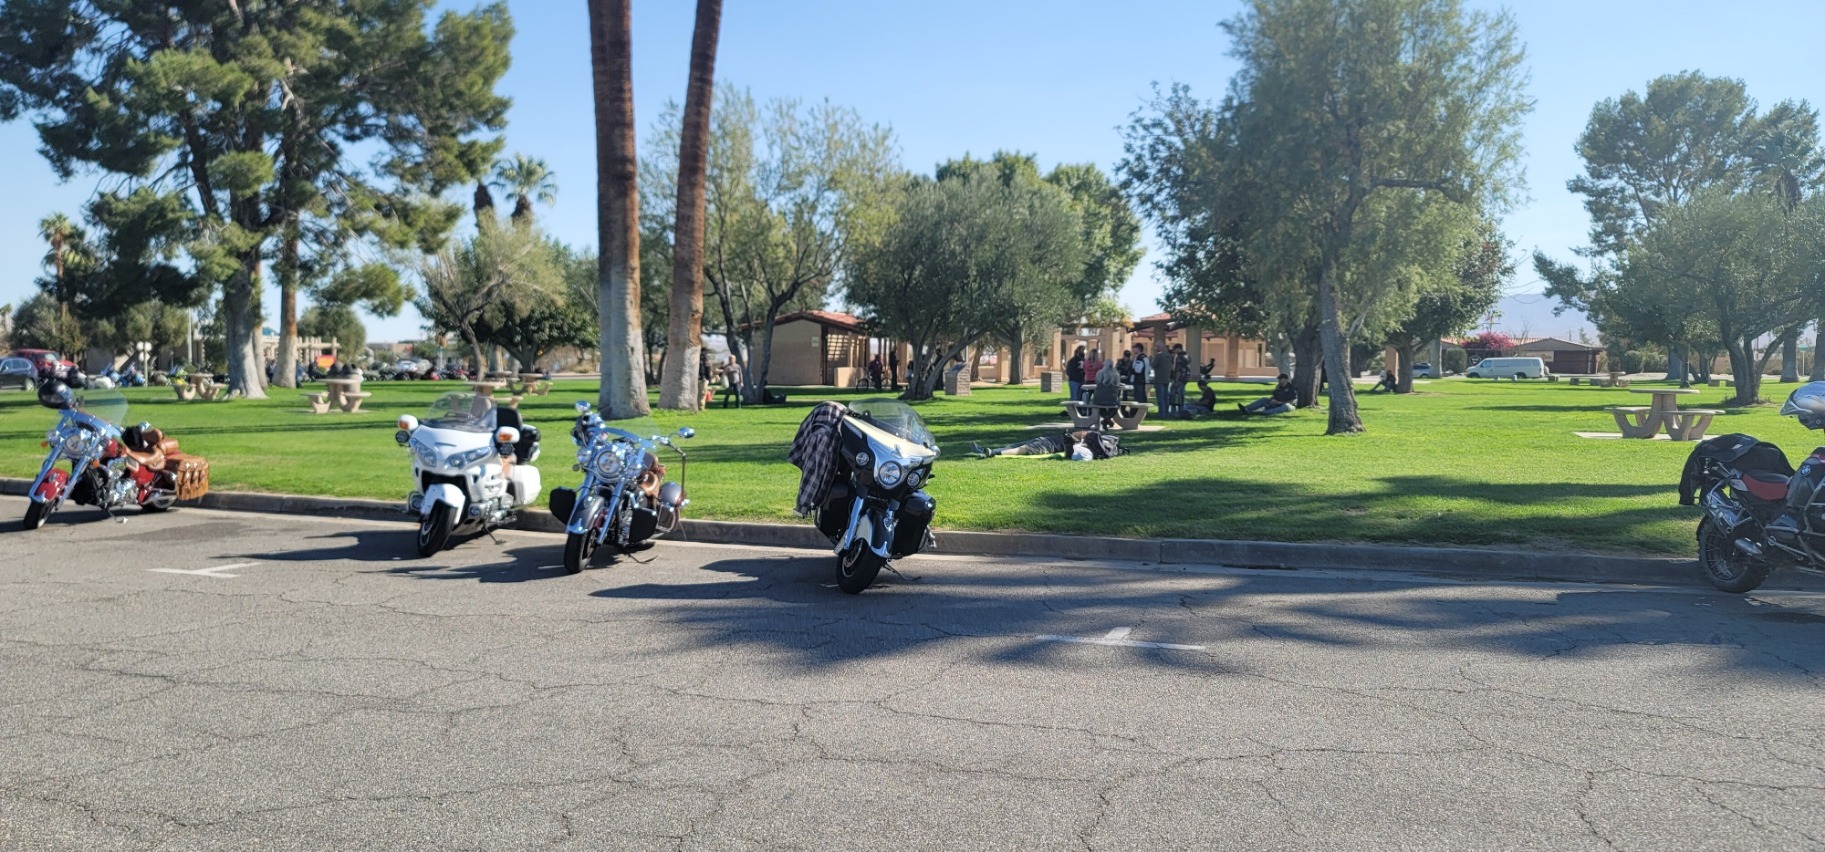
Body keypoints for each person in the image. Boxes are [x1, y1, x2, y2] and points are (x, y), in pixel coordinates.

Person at [971, 428, 1125, 460]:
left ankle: (992, 452)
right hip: (1044, 439)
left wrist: (1076, 438)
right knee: (1015, 444)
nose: (1084, 432)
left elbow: (1071, 452)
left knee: (1022, 449)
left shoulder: (1079, 446)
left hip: (1047, 446)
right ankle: (984, 450)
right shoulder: (1075, 438)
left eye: (1086, 433)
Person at [1091, 360, 1123, 429]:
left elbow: (1097, 382)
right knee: (1117, 404)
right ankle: (1107, 418)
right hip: (1112, 399)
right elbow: (1117, 385)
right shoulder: (1116, 374)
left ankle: (1106, 418)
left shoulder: (1099, 373)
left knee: (1099, 405)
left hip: (1098, 399)